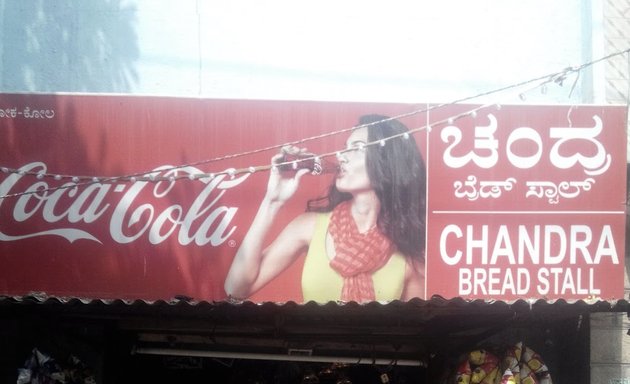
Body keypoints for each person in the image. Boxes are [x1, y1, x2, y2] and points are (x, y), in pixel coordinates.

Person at [224, 114, 426, 303]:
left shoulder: (408, 254)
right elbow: (235, 289)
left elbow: (413, 332)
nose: (342, 157)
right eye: (344, 147)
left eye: (356, 148)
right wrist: (272, 202)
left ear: (389, 162)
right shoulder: (310, 226)